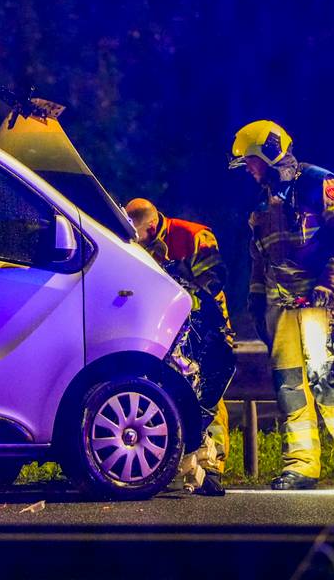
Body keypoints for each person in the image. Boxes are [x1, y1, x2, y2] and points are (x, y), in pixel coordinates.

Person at [228, 120, 334, 491]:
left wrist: (329, 286)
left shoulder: (319, 183)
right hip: (279, 307)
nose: (249, 170)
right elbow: (259, 258)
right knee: (289, 388)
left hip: (320, 304)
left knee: (331, 383)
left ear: (268, 152)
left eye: (251, 161)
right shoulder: (261, 201)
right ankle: (300, 468)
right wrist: (255, 302)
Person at [125, 198, 234, 497]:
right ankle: (182, 464)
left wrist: (176, 272)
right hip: (169, 329)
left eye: (139, 235)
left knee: (207, 395)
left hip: (205, 324)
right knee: (174, 394)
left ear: (150, 226)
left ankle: (212, 467)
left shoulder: (192, 235)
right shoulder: (139, 243)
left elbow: (215, 280)